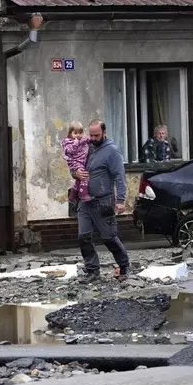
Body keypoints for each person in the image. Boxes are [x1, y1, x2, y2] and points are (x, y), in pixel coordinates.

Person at [71, 119, 131, 284]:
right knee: (83, 237)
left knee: (109, 237)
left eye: (96, 135)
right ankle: (92, 271)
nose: (93, 138)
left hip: (103, 201)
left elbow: (120, 176)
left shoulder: (112, 151)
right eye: (91, 135)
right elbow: (74, 166)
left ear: (104, 133)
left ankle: (124, 267)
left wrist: (120, 200)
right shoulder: (86, 147)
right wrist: (75, 174)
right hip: (84, 202)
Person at [61, 121, 91, 204]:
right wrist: (75, 143)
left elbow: (88, 140)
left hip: (81, 162)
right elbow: (69, 151)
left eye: (80, 133)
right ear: (70, 133)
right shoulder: (68, 142)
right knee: (84, 176)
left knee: (78, 181)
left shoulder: (82, 140)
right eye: (75, 133)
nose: (78, 135)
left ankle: (72, 195)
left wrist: (90, 139)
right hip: (75, 163)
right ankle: (83, 194)